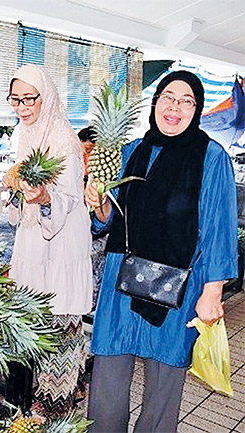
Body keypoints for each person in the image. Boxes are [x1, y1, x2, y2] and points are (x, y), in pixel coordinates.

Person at [84, 70, 237, 433]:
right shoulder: (131, 151)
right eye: (169, 96)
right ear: (156, 103)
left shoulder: (211, 157)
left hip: (180, 281)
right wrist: (99, 202)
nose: (175, 107)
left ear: (197, 110)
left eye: (187, 101)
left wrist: (213, 290)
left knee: (165, 377)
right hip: (123, 273)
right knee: (109, 367)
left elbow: (219, 225)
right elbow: (109, 218)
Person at [5, 65, 93, 419]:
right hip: (33, 244)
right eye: (16, 100)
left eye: (30, 99)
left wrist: (42, 198)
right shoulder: (25, 135)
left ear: (48, 97)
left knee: (59, 329)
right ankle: (51, 400)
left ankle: (57, 409)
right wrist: (13, 191)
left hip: (61, 248)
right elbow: (21, 192)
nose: (23, 108)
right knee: (37, 326)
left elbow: (67, 200)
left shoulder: (65, 143)